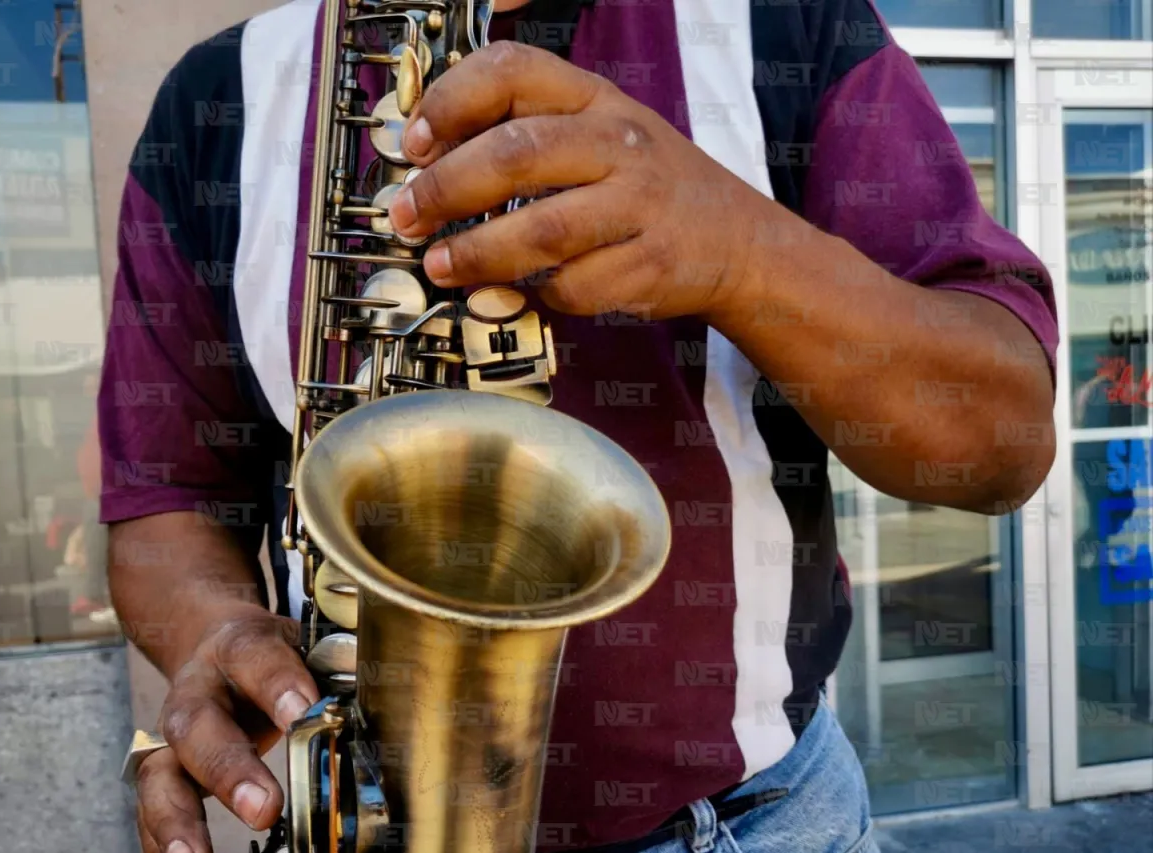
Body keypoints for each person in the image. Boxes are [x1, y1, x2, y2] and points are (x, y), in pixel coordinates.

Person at [99, 1, 1058, 852]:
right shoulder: (215, 103)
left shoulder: (782, 23)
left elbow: (999, 440)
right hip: (361, 814)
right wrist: (211, 625)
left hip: (759, 819)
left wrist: (740, 249)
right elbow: (168, 497)